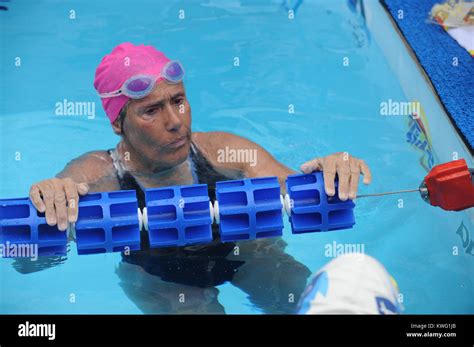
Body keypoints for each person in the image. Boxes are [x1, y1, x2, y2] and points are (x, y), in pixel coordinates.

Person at [26, 42, 372, 313]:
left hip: (245, 251)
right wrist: (53, 197)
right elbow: (30, 259)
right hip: (158, 274)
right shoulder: (100, 173)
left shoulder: (222, 151)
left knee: (315, 306)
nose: (175, 121)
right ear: (118, 123)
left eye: (178, 100)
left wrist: (331, 172)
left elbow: (296, 190)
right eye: (151, 110)